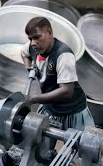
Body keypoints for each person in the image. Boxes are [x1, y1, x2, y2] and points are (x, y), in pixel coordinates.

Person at [20, 16, 95, 163]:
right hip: (50, 109)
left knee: (89, 148)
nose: (33, 43)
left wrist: (34, 99)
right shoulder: (32, 47)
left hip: (73, 110)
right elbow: (24, 54)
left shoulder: (63, 55)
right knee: (40, 149)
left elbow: (67, 91)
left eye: (37, 37)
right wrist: (29, 66)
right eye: (30, 39)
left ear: (49, 33)